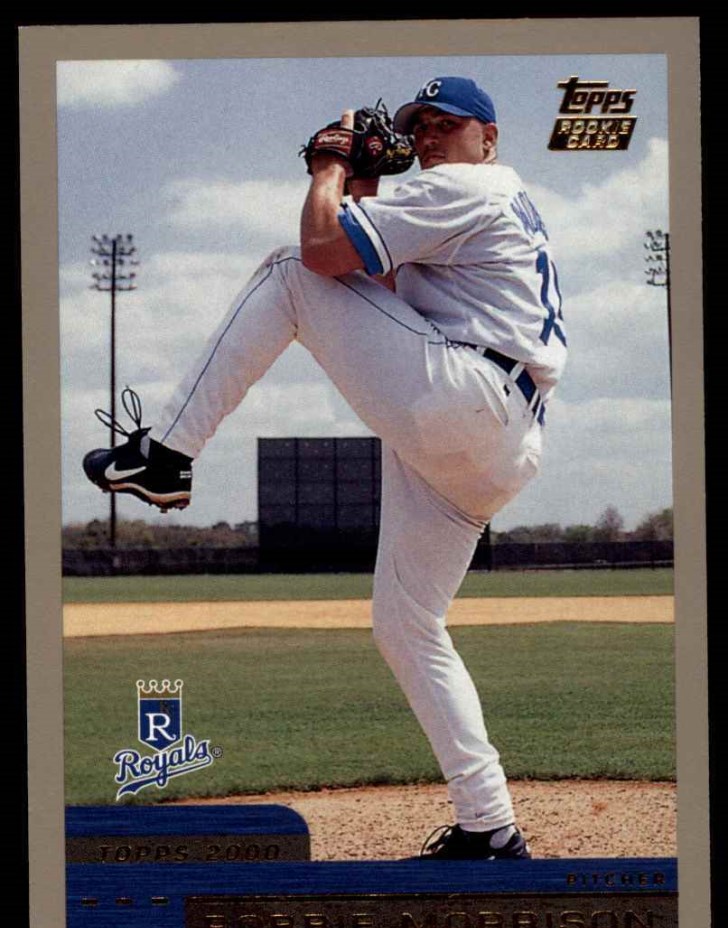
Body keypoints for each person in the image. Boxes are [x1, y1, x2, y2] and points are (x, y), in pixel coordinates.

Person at [84, 76, 567, 860]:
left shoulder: (466, 185)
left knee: (286, 269)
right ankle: (490, 823)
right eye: (420, 125)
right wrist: (363, 185)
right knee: (406, 625)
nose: (430, 136)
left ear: (489, 137)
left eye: (447, 123)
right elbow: (362, 276)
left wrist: (329, 170)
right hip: (493, 440)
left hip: (470, 398)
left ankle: (167, 453)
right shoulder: (480, 202)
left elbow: (317, 253)